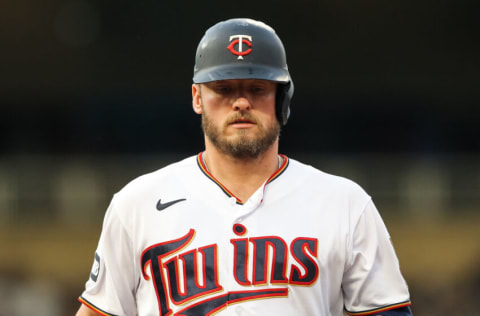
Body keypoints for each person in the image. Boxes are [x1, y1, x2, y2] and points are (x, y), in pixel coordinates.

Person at [76, 18, 412, 316]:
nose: (240, 102)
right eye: (223, 89)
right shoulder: (137, 204)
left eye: (257, 88)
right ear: (196, 98)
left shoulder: (344, 203)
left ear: (283, 99)